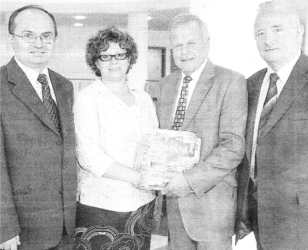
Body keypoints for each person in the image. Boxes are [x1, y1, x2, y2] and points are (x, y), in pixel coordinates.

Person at [157, 13, 247, 250]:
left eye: (191, 43)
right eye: (177, 45)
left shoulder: (231, 81)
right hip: (175, 206)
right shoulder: (166, 85)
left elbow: (232, 147)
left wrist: (187, 181)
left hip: (213, 208)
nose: (184, 51)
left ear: (206, 43)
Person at [73, 26, 164, 250]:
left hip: (142, 203)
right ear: (96, 62)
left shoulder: (143, 98)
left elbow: (154, 144)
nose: (114, 62)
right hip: (102, 206)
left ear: (129, 58)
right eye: (105, 56)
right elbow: (89, 156)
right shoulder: (87, 99)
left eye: (120, 55)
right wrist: (139, 177)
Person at [0, 5, 77, 250]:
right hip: (21, 231)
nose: (39, 43)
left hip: (66, 225)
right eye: (28, 35)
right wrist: (4, 228)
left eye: (46, 36)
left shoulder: (64, 86)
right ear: (12, 39)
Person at [235, 1, 308, 250]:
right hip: (259, 216)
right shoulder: (251, 85)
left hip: (301, 220)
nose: (268, 40)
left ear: (299, 32)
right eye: (261, 33)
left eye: (277, 30)